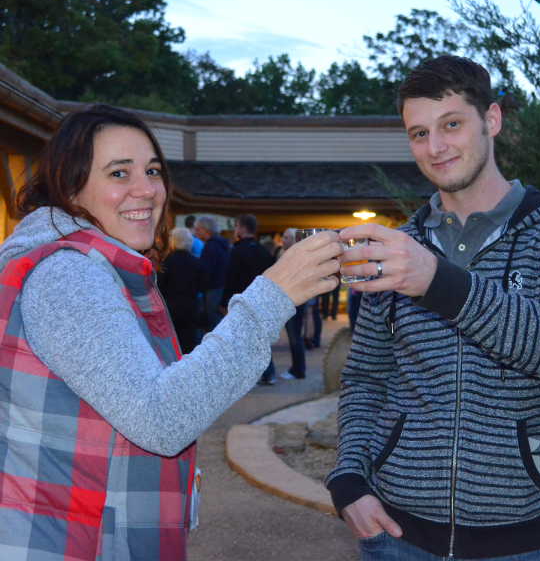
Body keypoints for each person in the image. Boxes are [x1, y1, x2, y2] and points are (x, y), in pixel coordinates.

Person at [0, 103, 343, 560]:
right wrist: (270, 298)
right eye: (119, 173)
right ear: (70, 185)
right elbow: (160, 418)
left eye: (153, 170)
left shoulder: (88, 265)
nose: (147, 190)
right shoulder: (68, 274)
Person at [325, 56, 540, 561]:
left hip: (529, 542)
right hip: (398, 537)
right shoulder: (398, 247)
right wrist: (348, 480)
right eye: (418, 133)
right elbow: (365, 376)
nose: (435, 148)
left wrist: (435, 281)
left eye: (451, 124)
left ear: (491, 121)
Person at [220, 213, 278, 384]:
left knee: (243, 339)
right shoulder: (263, 251)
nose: (235, 230)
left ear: (243, 229)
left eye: (237, 226)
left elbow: (230, 278)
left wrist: (224, 302)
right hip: (261, 300)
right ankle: (268, 373)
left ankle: (255, 374)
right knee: (260, 339)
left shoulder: (237, 251)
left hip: (241, 301)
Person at [157, 227, 210, 354]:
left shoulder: (165, 262)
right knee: (189, 342)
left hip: (169, 307)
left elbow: (159, 286)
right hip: (190, 306)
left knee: (171, 342)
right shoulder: (197, 262)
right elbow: (205, 286)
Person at [279, 228, 306, 380]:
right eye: (283, 237)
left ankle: (298, 369)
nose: (284, 240)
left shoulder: (297, 257)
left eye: (287, 237)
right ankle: (296, 368)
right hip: (288, 299)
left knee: (295, 336)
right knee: (293, 336)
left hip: (295, 300)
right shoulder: (285, 255)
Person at [195, 215, 230, 331]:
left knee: (213, 325)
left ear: (206, 230)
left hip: (213, 291)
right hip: (222, 288)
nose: (197, 232)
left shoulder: (210, 247)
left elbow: (207, 271)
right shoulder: (223, 245)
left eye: (199, 229)